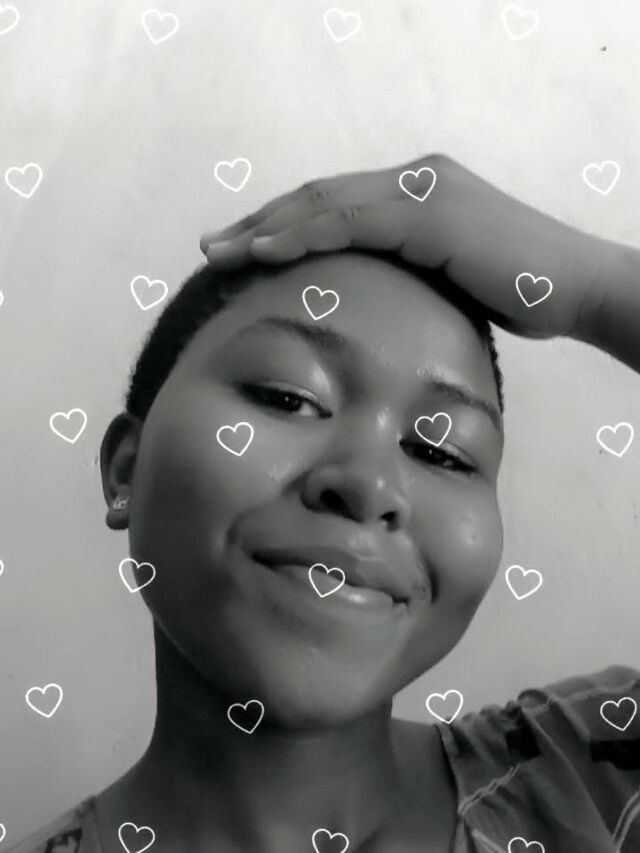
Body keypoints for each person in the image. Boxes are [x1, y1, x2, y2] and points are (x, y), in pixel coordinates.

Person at [6, 154, 640, 853]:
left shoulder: (591, 777)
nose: (368, 484)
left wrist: (593, 287)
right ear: (127, 469)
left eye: (441, 452)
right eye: (288, 397)